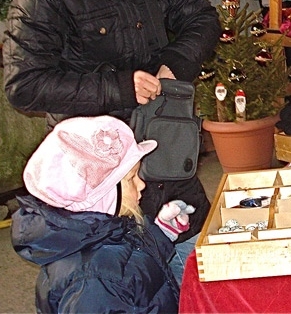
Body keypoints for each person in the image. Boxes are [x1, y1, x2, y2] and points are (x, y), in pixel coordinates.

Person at [3, 0, 221, 280]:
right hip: (102, 181)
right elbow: (23, 84)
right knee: (122, 283)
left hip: (164, 148)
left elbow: (202, 18)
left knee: (199, 265)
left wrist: (174, 64)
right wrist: (118, 87)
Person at [12, 116, 192, 313]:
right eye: (131, 178)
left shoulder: (106, 228)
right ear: (102, 196)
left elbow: (132, 262)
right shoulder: (93, 282)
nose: (141, 184)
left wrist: (161, 232)